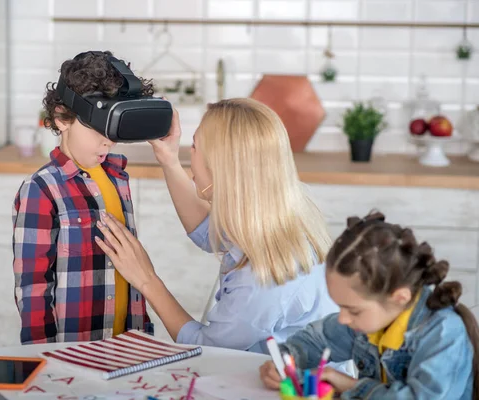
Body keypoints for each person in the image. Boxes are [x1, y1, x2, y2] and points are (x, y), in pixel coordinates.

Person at [94, 98, 338, 352]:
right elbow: (206, 232)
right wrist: (168, 159)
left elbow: (209, 348)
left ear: (220, 169)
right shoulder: (270, 219)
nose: (191, 152)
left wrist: (147, 280)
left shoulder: (262, 278)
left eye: (196, 145)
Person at [12, 51, 153, 344]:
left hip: (128, 343)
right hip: (75, 348)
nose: (108, 140)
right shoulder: (41, 189)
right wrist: (41, 357)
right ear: (62, 117)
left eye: (112, 128)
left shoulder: (118, 178)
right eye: (97, 128)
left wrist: (143, 335)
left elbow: (130, 269)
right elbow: (33, 288)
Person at [259, 211, 479, 399]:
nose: (343, 319)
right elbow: (314, 340)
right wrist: (284, 362)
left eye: (353, 310)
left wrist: (349, 385)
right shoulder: (368, 320)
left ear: (399, 297)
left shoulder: (444, 335)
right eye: (340, 306)